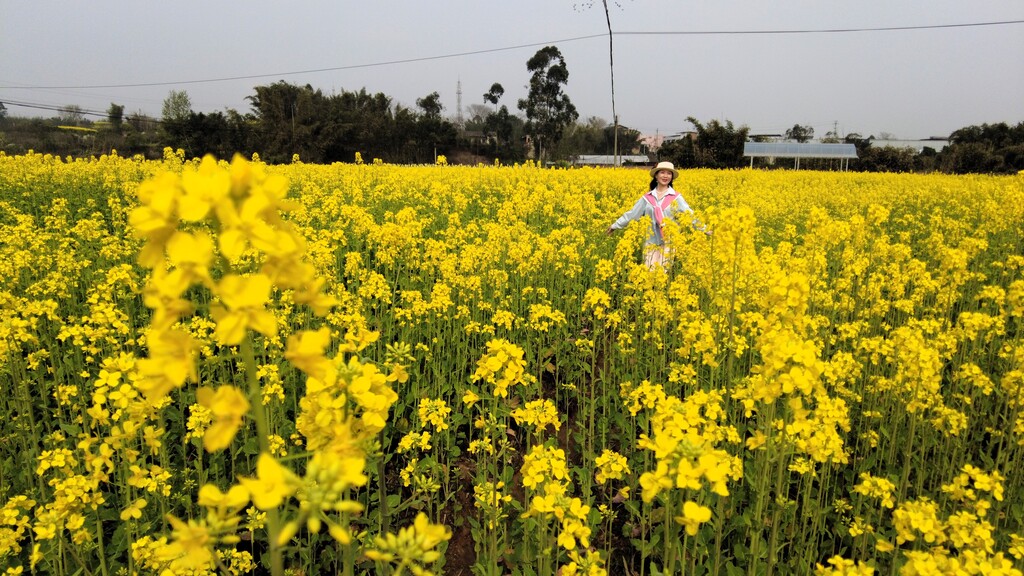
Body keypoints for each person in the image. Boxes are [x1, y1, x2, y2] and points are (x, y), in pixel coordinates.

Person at [606, 161, 706, 269]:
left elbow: (689, 215)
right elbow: (633, 214)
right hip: (651, 241)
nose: (665, 176)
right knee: (649, 273)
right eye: (662, 172)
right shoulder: (647, 198)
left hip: (670, 241)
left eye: (669, 173)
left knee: (662, 273)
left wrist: (705, 229)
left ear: (672, 177)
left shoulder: (676, 198)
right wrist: (615, 226)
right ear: (656, 175)